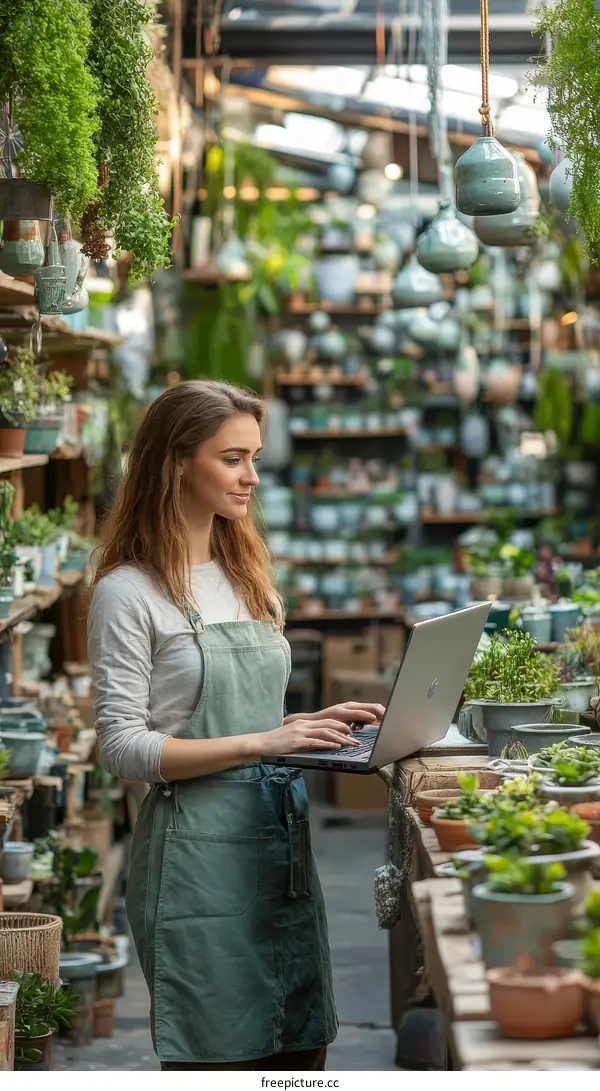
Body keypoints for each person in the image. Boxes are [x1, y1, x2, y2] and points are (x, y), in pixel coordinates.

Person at [87, 380, 385, 1071]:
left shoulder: (244, 571)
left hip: (277, 844)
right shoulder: (127, 592)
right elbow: (124, 747)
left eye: (253, 456)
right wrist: (264, 741)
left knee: (300, 1047)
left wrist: (303, 725)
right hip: (197, 859)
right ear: (176, 463)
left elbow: (241, 716)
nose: (252, 475)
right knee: (218, 1053)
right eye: (232, 458)